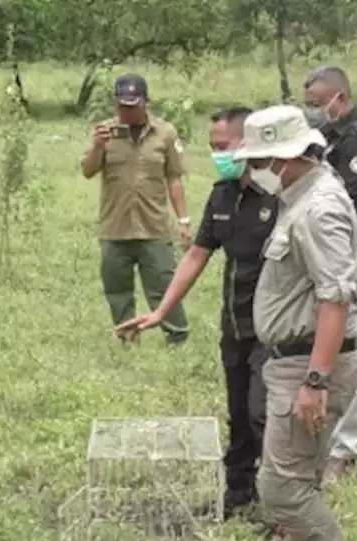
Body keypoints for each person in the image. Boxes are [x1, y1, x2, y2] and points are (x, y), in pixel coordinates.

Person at [232, 104, 357, 541]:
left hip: (307, 368)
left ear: (289, 157)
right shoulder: (303, 197)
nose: (254, 172)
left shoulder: (318, 209)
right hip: (292, 363)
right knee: (299, 478)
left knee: (282, 489)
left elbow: (335, 298)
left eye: (262, 161)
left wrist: (315, 381)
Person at [115, 106, 277, 517]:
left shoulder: (279, 195)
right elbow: (196, 255)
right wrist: (161, 312)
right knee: (239, 413)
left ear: (249, 142)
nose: (216, 154)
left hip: (274, 327)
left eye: (223, 146)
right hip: (235, 322)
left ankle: (278, 504)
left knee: (265, 415)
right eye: (212, 147)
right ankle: (238, 492)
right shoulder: (223, 194)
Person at [301, 65, 357, 482]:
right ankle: (323, 432)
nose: (315, 112)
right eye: (310, 106)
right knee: (325, 346)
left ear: (341, 97)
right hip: (324, 258)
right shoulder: (327, 137)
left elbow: (336, 200)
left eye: (319, 104)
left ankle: (349, 445)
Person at [81, 72, 193, 347]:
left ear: (146, 103)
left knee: (164, 285)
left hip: (153, 226)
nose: (126, 112)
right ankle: (127, 339)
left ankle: (177, 337)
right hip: (114, 227)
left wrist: (184, 220)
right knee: (117, 289)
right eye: (121, 106)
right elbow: (87, 170)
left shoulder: (165, 134)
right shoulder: (105, 132)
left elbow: (174, 178)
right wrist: (97, 146)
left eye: (132, 106)